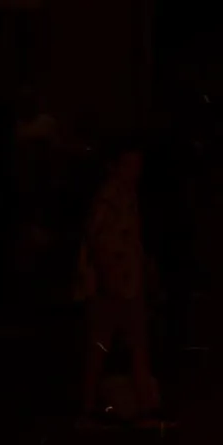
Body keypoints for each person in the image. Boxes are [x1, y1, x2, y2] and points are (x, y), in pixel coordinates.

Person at [78, 144, 159, 422]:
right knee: (99, 350)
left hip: (130, 285)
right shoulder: (108, 198)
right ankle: (87, 411)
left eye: (138, 164)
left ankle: (147, 409)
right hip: (110, 288)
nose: (135, 171)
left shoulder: (128, 195)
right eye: (130, 164)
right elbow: (97, 241)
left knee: (137, 346)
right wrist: (108, 278)